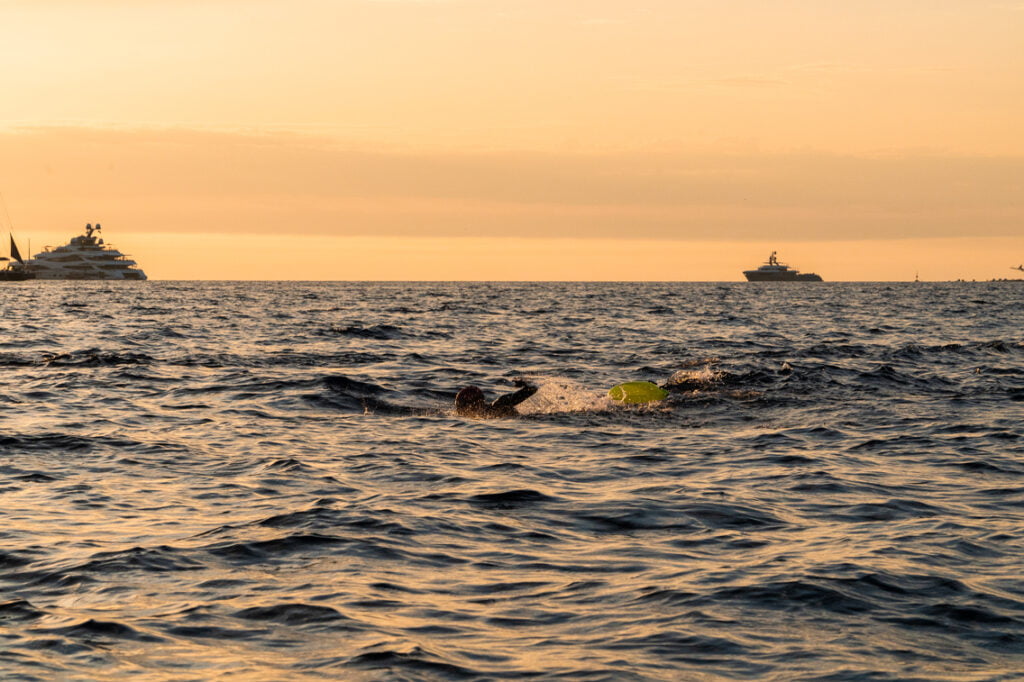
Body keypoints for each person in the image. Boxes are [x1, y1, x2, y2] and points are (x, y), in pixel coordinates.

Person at [454, 378, 537, 418]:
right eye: (459, 406)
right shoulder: (481, 416)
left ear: (475, 404)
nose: (459, 410)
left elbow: (532, 389)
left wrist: (525, 384)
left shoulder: (499, 405)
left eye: (462, 406)